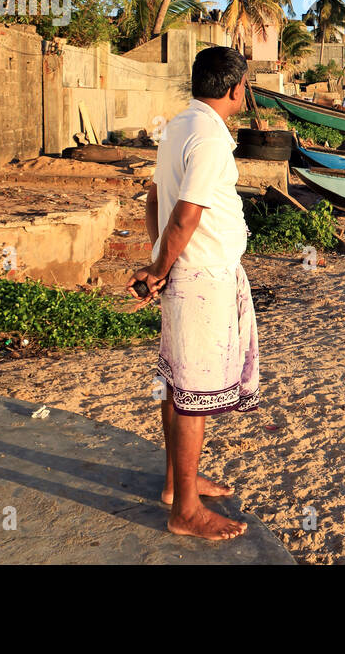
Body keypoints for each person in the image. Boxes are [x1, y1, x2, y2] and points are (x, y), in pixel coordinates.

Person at [128, 46, 260, 542]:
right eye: (243, 83)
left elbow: (156, 197)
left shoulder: (181, 125)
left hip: (188, 273)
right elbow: (184, 213)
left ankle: (174, 483)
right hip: (202, 279)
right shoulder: (208, 138)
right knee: (194, 398)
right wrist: (162, 265)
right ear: (234, 89)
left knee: (179, 386)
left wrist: (159, 261)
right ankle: (184, 508)